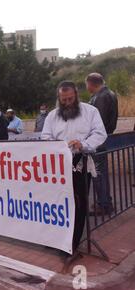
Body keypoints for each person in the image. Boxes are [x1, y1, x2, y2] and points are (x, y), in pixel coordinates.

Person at [41, 81, 107, 256]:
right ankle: (56, 238)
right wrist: (57, 146)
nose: (67, 102)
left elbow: (100, 133)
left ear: (76, 95)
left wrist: (83, 144)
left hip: (80, 162)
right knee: (57, 202)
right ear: (59, 98)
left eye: (70, 99)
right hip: (58, 164)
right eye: (63, 100)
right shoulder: (52, 116)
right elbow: (45, 135)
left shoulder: (90, 112)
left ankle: (72, 243)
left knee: (78, 203)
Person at [86, 73, 118, 215]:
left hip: (98, 140)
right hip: (104, 138)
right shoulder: (109, 94)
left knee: (98, 173)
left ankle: (104, 204)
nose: (87, 87)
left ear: (91, 84)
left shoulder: (100, 97)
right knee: (101, 172)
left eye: (87, 84)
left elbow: (98, 121)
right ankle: (105, 202)